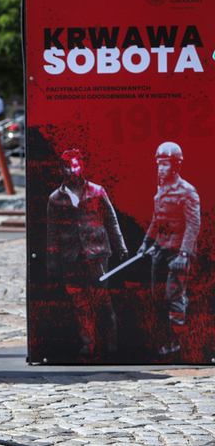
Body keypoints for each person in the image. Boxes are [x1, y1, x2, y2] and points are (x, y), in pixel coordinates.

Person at [46, 149, 127, 359]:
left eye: (75, 165)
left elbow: (111, 219)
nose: (71, 170)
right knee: (79, 301)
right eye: (67, 166)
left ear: (82, 165)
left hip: (97, 254)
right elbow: (52, 230)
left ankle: (111, 341)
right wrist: (52, 260)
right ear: (61, 168)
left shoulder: (97, 191)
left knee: (101, 299)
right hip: (71, 256)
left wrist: (121, 247)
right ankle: (88, 343)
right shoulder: (56, 198)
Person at [137, 142, 200, 356]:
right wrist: (146, 243)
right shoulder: (161, 190)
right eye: (159, 164)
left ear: (176, 165)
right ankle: (165, 339)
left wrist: (184, 254)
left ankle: (179, 344)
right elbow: (156, 220)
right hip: (161, 249)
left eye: (165, 164)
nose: (161, 169)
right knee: (157, 296)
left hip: (178, 252)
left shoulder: (187, 192)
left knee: (174, 296)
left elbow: (193, 225)